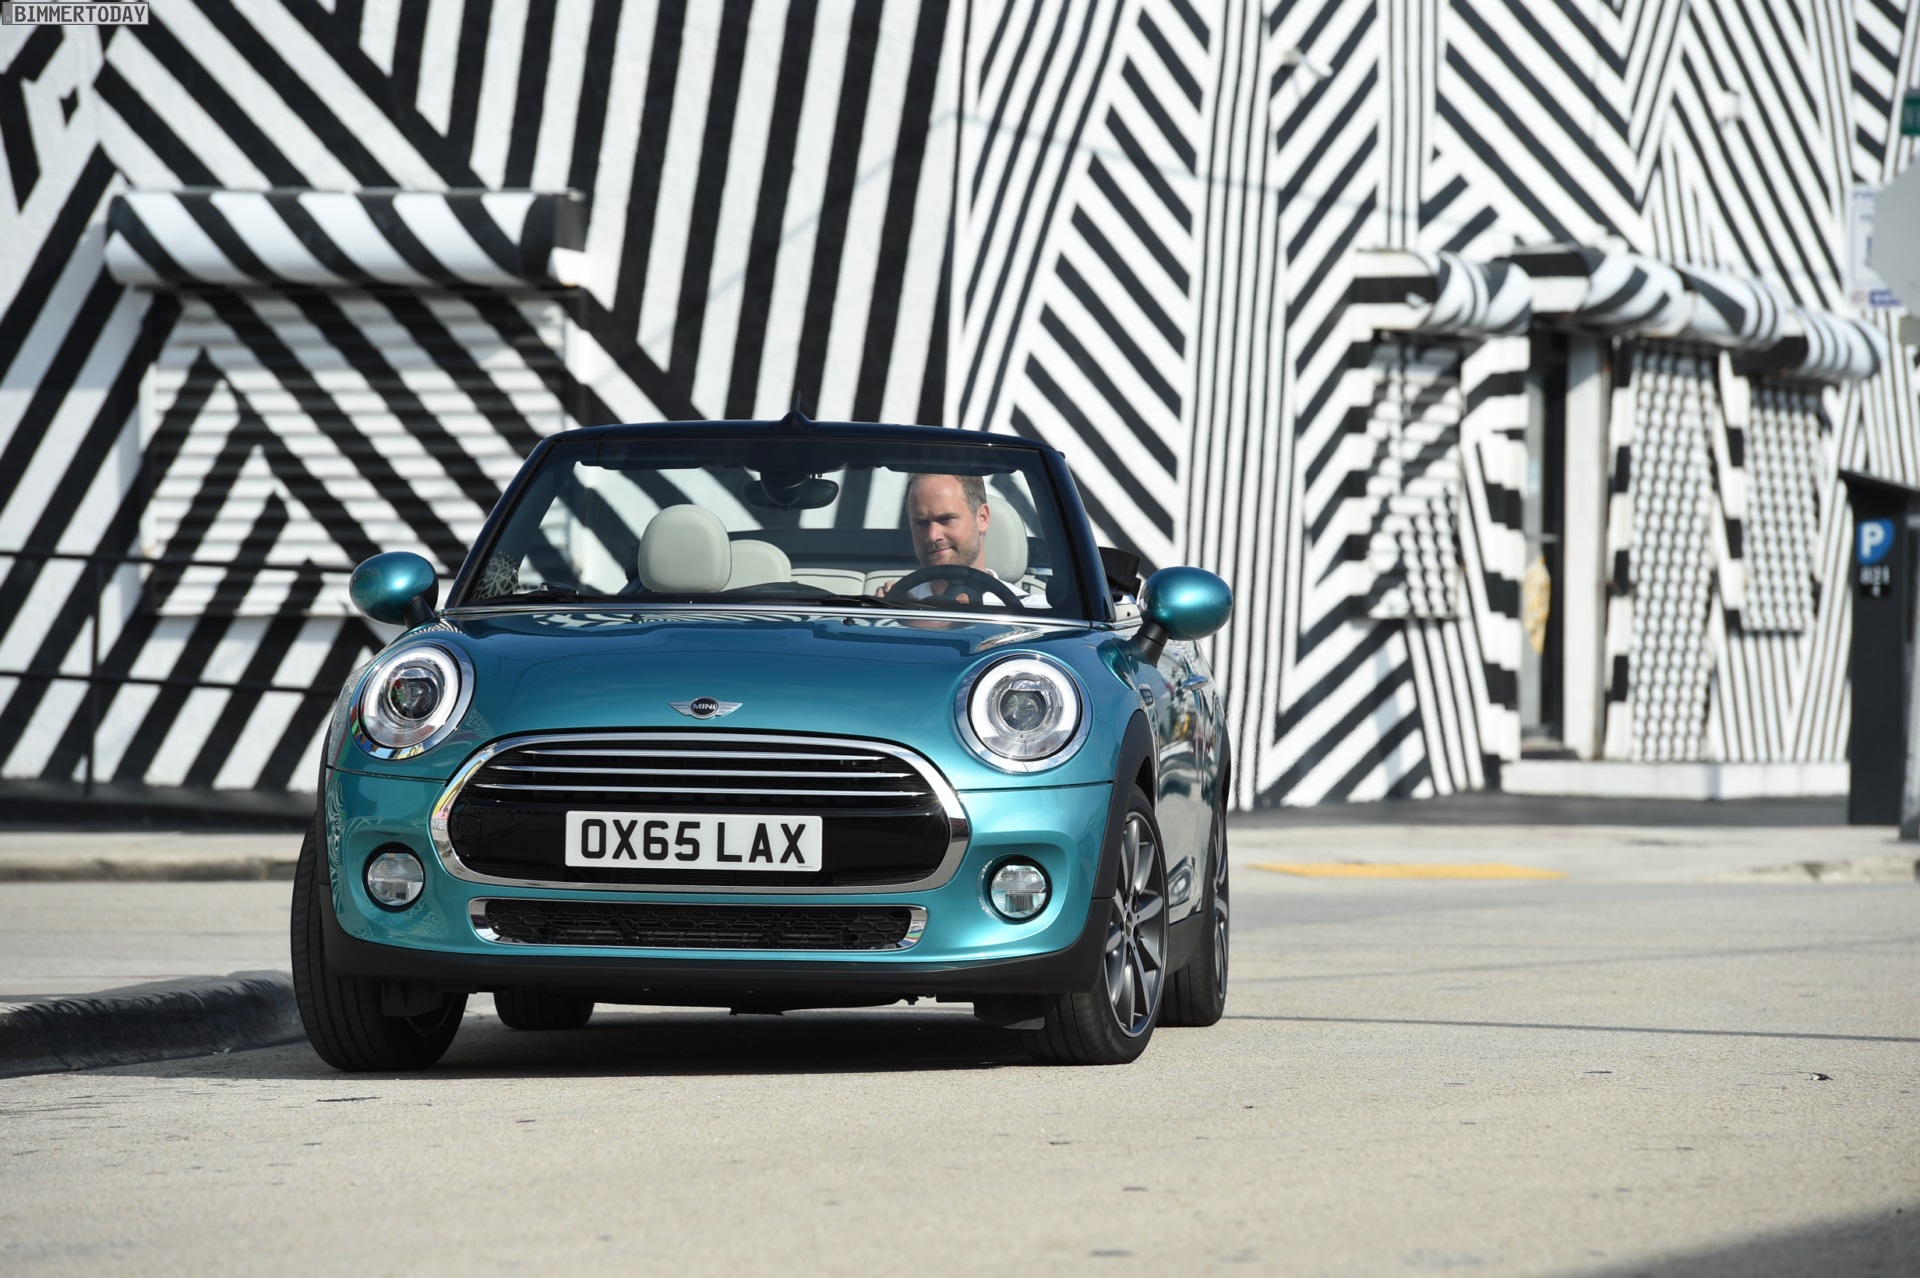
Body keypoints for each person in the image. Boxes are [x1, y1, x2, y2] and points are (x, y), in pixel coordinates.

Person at [878, 472, 1027, 606]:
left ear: (982, 518)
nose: (932, 536)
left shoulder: (1033, 611)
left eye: (946, 519)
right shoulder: (890, 608)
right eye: (921, 523)